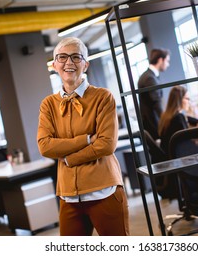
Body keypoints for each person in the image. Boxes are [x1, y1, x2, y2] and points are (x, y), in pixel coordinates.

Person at [37, 37, 129, 236]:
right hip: (68, 197)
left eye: (76, 57)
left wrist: (70, 158)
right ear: (54, 65)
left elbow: (106, 145)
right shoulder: (48, 105)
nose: (69, 63)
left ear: (85, 65)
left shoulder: (103, 97)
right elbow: (45, 146)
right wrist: (86, 139)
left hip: (104, 191)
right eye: (62, 57)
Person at [137, 48, 171, 140]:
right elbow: (157, 103)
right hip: (153, 126)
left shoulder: (148, 75)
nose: (168, 64)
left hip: (150, 125)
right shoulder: (150, 78)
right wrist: (166, 122)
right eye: (167, 61)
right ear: (160, 60)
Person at [158, 85, 190, 155]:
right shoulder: (178, 117)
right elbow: (188, 142)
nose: (189, 101)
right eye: (187, 98)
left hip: (169, 156)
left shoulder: (165, 116)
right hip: (177, 157)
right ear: (179, 99)